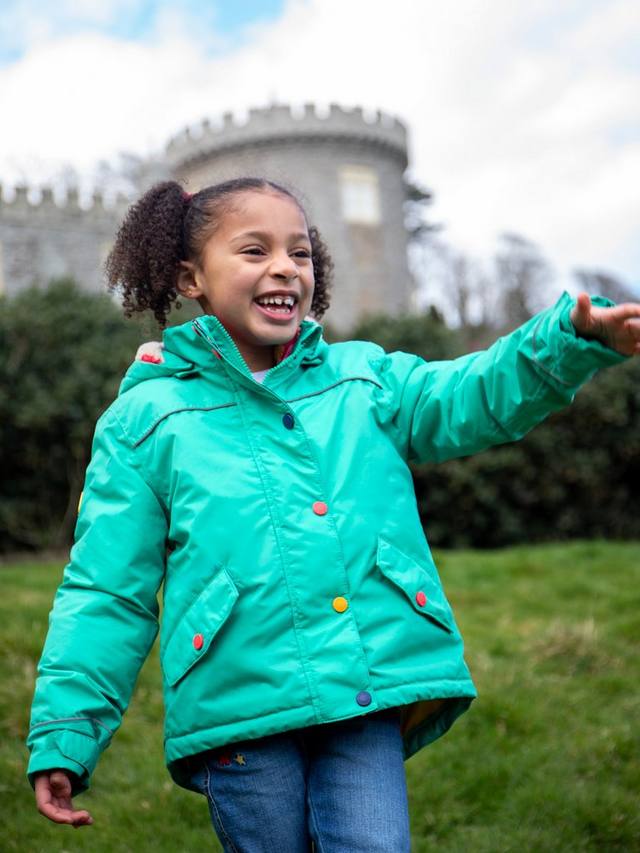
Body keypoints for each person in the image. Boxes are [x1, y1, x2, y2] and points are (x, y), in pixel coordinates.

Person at [27, 178, 640, 851]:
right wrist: (66, 733)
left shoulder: (364, 379)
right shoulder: (145, 420)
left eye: (300, 252)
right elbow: (106, 591)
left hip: (363, 689)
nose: (285, 267)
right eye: (255, 250)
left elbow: (472, 394)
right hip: (240, 709)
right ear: (191, 278)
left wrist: (568, 340)